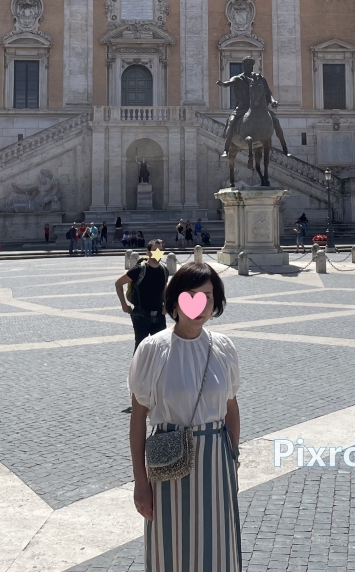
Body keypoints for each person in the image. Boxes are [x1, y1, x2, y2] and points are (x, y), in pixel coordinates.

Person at [129, 262, 241, 570]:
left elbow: (231, 408)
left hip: (216, 466)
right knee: (170, 549)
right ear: (175, 301)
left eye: (207, 296)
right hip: (169, 463)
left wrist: (232, 458)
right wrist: (140, 483)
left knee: (217, 549)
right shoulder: (153, 349)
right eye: (190, 296)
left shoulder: (223, 348)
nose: (199, 305)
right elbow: (138, 420)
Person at [117, 240, 169, 350]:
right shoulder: (139, 269)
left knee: (161, 349)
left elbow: (164, 288)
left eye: (160, 250)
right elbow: (118, 283)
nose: (158, 253)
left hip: (159, 315)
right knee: (140, 349)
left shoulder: (164, 270)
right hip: (141, 315)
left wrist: (165, 305)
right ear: (148, 252)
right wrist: (124, 305)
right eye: (155, 250)